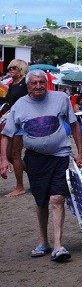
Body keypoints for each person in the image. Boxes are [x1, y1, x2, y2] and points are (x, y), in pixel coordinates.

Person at [0, 70, 82, 261]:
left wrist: (81, 153)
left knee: (57, 199)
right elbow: (7, 134)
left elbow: (74, 125)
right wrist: (4, 160)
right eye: (34, 83)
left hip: (60, 156)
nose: (38, 86)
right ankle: (43, 242)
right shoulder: (20, 105)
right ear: (28, 86)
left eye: (41, 82)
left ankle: (58, 245)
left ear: (46, 84)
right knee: (41, 201)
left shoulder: (61, 98)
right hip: (35, 159)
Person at [1, 58, 29, 197]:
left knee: (15, 155)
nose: (10, 70)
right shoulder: (13, 84)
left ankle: (20, 187)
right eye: (9, 68)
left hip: (23, 121)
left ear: (21, 69)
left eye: (14, 68)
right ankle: (34, 173)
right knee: (12, 156)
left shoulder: (25, 83)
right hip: (13, 120)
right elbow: (9, 102)